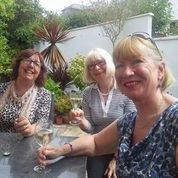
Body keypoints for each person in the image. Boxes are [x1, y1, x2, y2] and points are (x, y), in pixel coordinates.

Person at [37, 33, 178, 177]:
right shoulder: (129, 122)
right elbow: (94, 142)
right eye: (120, 65)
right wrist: (59, 151)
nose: (127, 72)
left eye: (137, 61)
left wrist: (115, 159)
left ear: (160, 70)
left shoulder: (174, 119)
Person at [69, 48, 135, 178]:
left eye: (100, 62)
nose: (96, 68)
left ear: (109, 63)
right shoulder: (88, 93)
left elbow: (132, 128)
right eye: (91, 66)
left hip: (123, 148)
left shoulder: (124, 88)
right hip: (97, 147)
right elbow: (90, 129)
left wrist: (117, 159)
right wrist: (81, 120)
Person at [0, 48, 52, 137]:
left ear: (40, 71)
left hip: (27, 144)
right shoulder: (2, 89)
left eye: (36, 63)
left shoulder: (44, 95)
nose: (31, 65)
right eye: (27, 60)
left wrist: (31, 129)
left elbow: (42, 123)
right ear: (18, 64)